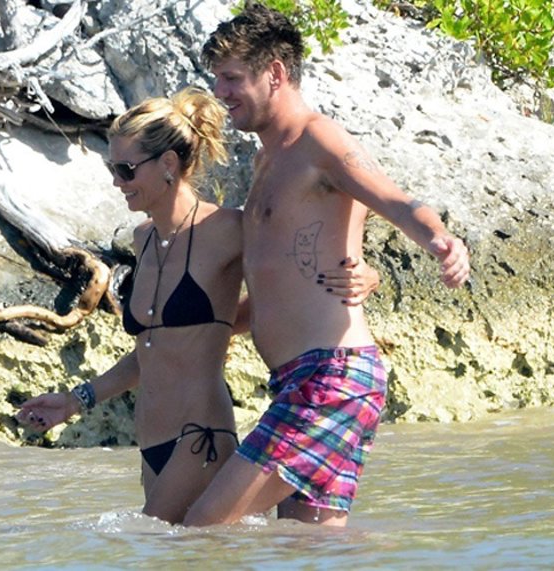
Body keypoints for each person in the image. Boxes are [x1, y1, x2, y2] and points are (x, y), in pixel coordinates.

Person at [16, 86, 379, 524]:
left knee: (150, 543)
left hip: (200, 435)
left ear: (168, 164)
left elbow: (300, 261)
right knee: (194, 552)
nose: (117, 182)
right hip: (152, 444)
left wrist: (363, 269)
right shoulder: (143, 239)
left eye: (126, 170)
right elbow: (155, 349)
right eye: (113, 169)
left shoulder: (228, 228)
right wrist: (76, 400)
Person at [182, 4, 471, 528]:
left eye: (232, 78)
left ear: (275, 74)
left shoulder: (319, 141)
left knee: (203, 530)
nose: (220, 92)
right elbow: (280, 285)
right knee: (308, 548)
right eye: (217, 79)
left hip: (331, 378)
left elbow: (395, 201)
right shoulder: (267, 160)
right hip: (304, 378)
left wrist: (441, 241)